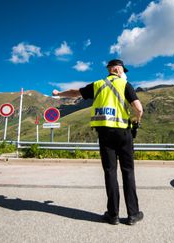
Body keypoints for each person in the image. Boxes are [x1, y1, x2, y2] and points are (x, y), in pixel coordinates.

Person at [52, 59, 144, 226]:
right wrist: (136, 121)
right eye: (124, 70)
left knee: (110, 172)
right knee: (128, 172)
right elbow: (138, 108)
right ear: (117, 69)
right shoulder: (125, 85)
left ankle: (113, 215)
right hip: (123, 133)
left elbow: (75, 93)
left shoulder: (97, 84)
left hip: (105, 134)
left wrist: (59, 94)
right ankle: (133, 214)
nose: (125, 73)